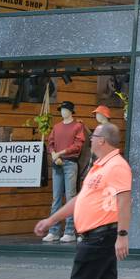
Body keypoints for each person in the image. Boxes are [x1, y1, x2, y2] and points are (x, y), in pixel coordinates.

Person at [24, 122, 133, 279]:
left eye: (93, 135)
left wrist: (123, 235)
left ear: (102, 140)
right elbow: (79, 201)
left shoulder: (117, 166)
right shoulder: (98, 167)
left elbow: (124, 202)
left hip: (99, 238)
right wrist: (51, 220)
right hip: (96, 238)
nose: (89, 139)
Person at [43, 101, 85, 243]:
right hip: (57, 164)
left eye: (65, 109)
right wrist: (54, 155)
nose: (63, 112)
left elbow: (77, 146)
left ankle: (69, 231)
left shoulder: (78, 126)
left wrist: (60, 153)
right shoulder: (56, 127)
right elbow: (50, 143)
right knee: (56, 198)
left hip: (70, 163)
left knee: (70, 196)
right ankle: (54, 231)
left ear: (71, 111)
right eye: (61, 109)